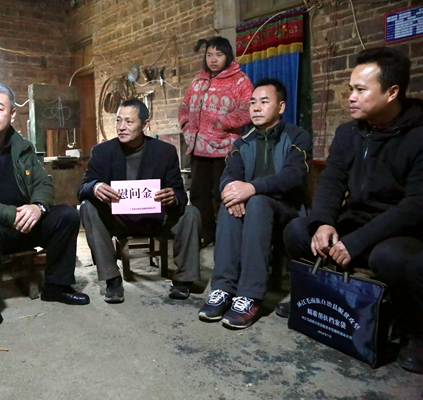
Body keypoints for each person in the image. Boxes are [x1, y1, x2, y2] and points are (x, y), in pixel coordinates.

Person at [283, 47, 423, 373]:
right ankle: (311, 297)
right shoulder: (349, 132)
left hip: (398, 229)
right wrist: (323, 223)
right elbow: (332, 181)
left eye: (361, 90)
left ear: (391, 92)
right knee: (297, 230)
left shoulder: (418, 135)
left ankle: (415, 332)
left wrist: (356, 242)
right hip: (355, 220)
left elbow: (416, 204)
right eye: (350, 89)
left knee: (391, 258)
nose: (351, 97)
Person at [0, 83, 90, 338]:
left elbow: (43, 183)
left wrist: (37, 206)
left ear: (11, 115)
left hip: (22, 226)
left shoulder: (23, 146)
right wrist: (12, 214)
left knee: (66, 215)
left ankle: (57, 286)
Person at [197, 79, 312, 329]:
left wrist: (251, 188)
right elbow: (229, 173)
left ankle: (250, 295)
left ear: (281, 107)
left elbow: (294, 176)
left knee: (258, 202)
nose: (256, 108)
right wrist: (231, 191)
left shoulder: (297, 136)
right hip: (252, 207)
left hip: (287, 210)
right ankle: (223, 288)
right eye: (252, 102)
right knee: (229, 205)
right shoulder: (243, 142)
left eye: (264, 102)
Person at [79, 98, 201, 303]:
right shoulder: (102, 152)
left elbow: (179, 193)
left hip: (156, 218)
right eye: (118, 121)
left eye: (129, 122)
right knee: (87, 207)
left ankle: (183, 280)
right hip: (118, 219)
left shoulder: (164, 152)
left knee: (191, 213)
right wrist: (95, 187)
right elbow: (83, 188)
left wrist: (172, 197)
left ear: (145, 125)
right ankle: (112, 279)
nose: (121, 127)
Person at [178, 36, 253, 247]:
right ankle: (205, 234)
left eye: (218, 55)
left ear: (227, 56)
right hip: (198, 149)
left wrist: (222, 122)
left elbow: (248, 108)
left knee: (223, 195)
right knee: (198, 194)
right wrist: (186, 126)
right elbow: (184, 106)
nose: (213, 59)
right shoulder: (197, 81)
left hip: (225, 149)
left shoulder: (240, 81)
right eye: (209, 55)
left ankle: (227, 237)